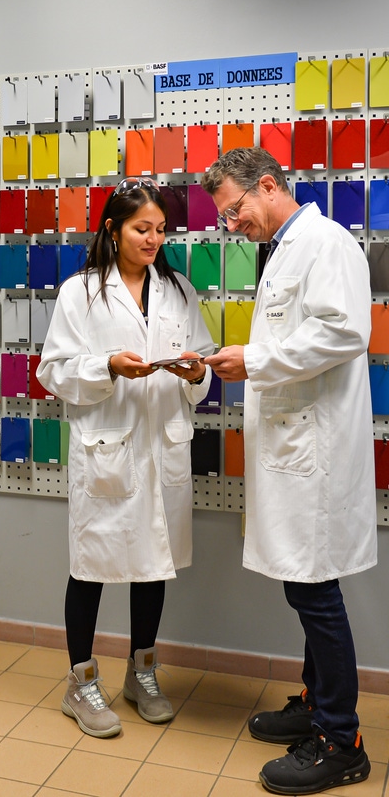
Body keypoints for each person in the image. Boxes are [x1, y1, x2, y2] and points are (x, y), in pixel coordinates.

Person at [201, 148, 377, 794]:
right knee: (304, 585)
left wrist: (254, 361)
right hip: (293, 446)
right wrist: (249, 359)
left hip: (316, 454)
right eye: (225, 218)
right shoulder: (281, 250)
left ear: (268, 185)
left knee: (315, 592)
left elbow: (343, 333)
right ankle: (314, 702)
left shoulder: (325, 244)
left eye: (234, 210)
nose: (232, 225)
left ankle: (341, 739)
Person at [37, 177, 213, 738]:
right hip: (107, 451)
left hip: (163, 448)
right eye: (142, 229)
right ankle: (80, 682)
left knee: (153, 564)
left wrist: (197, 373)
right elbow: (52, 372)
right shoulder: (80, 292)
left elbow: (204, 366)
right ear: (113, 229)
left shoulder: (179, 290)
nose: (154, 239)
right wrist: (107, 367)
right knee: (90, 567)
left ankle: (142, 673)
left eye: (160, 229)